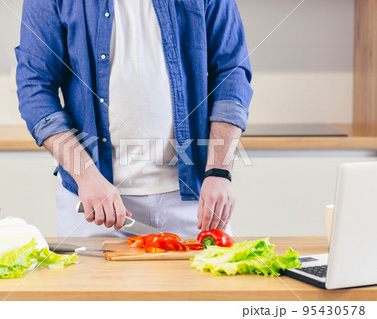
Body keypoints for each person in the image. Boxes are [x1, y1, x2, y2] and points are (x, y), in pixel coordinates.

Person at [15, 0, 253, 238]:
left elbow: (232, 71)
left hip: (195, 203)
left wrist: (219, 172)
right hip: (94, 203)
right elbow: (35, 87)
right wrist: (86, 176)